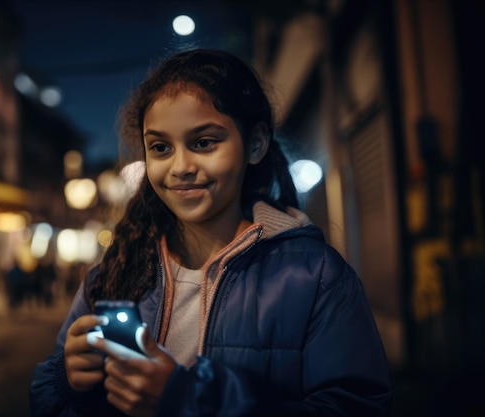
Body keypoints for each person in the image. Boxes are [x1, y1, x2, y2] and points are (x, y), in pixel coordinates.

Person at [30, 48, 392, 417]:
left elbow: (357, 405)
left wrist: (192, 400)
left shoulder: (316, 277)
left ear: (255, 144)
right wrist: (68, 381)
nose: (181, 166)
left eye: (204, 142)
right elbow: (45, 397)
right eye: (160, 147)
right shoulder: (116, 270)